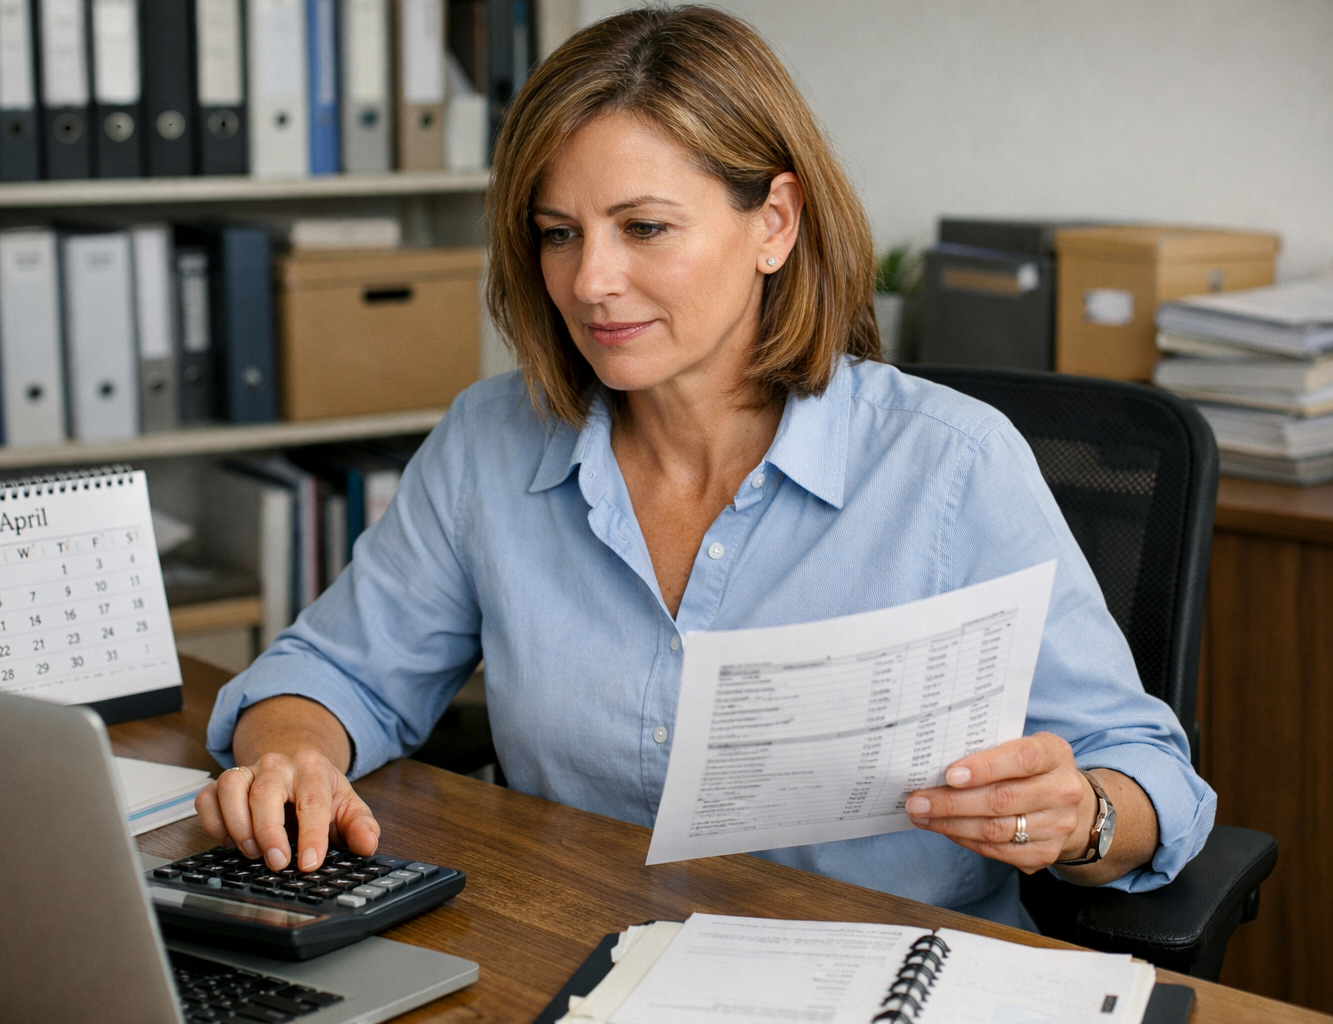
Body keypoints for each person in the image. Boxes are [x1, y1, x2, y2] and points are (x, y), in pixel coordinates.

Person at [197, 5, 1214, 929]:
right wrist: (293, 752)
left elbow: (1151, 781)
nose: (591, 281)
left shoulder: (951, 466)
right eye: (559, 234)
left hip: (868, 972)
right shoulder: (491, 442)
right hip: (579, 952)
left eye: (645, 227)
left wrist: (1078, 814)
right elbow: (333, 674)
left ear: (774, 222)